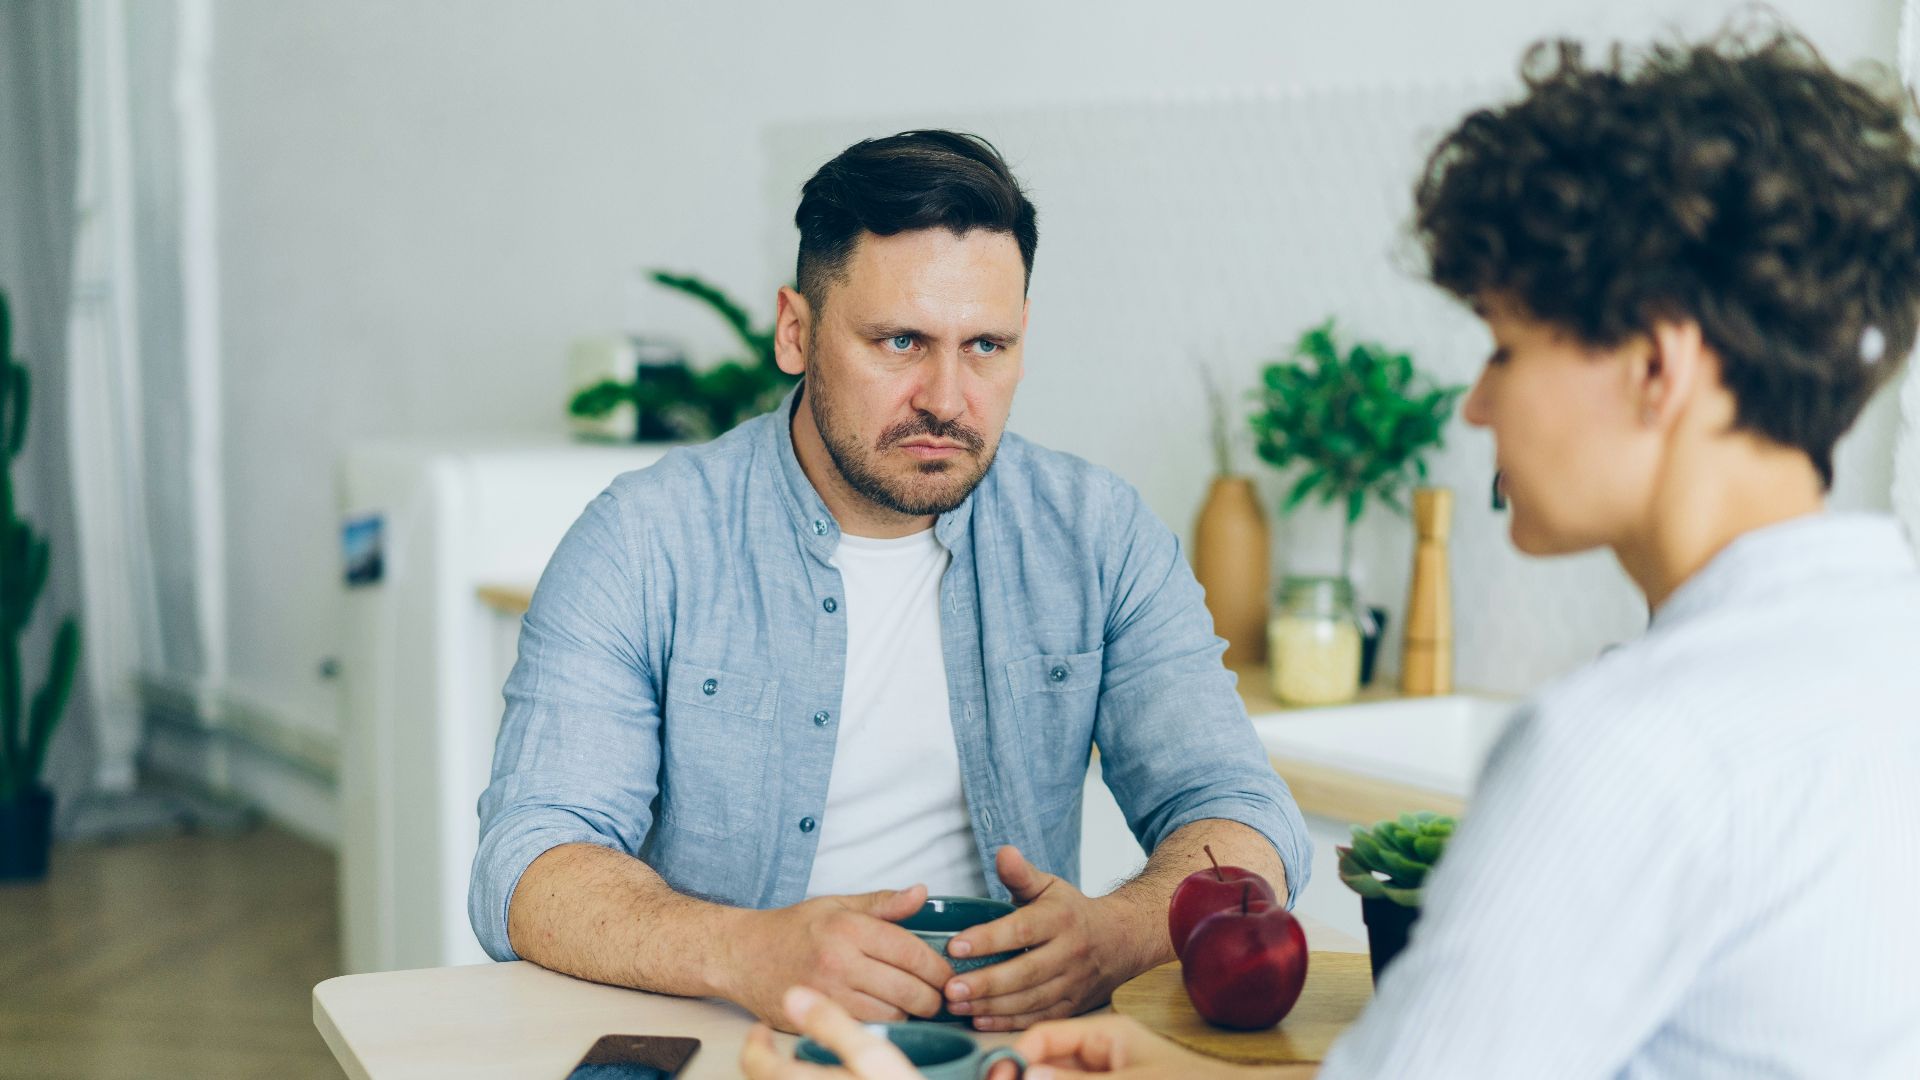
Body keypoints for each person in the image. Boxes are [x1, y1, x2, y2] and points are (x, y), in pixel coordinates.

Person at [742, 26, 1920, 1080]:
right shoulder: (1885, 644)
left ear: (1656, 371)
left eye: (1507, 349)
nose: (1477, 408)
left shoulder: (1628, 751)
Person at [469, 129, 1312, 1032]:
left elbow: (1241, 814)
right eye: (901, 340)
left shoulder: (1098, 535)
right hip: (742, 1040)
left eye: (986, 345)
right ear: (796, 332)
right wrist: (746, 950)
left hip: (1008, 1052)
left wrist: (1121, 932)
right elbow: (529, 862)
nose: (947, 398)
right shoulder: (643, 541)